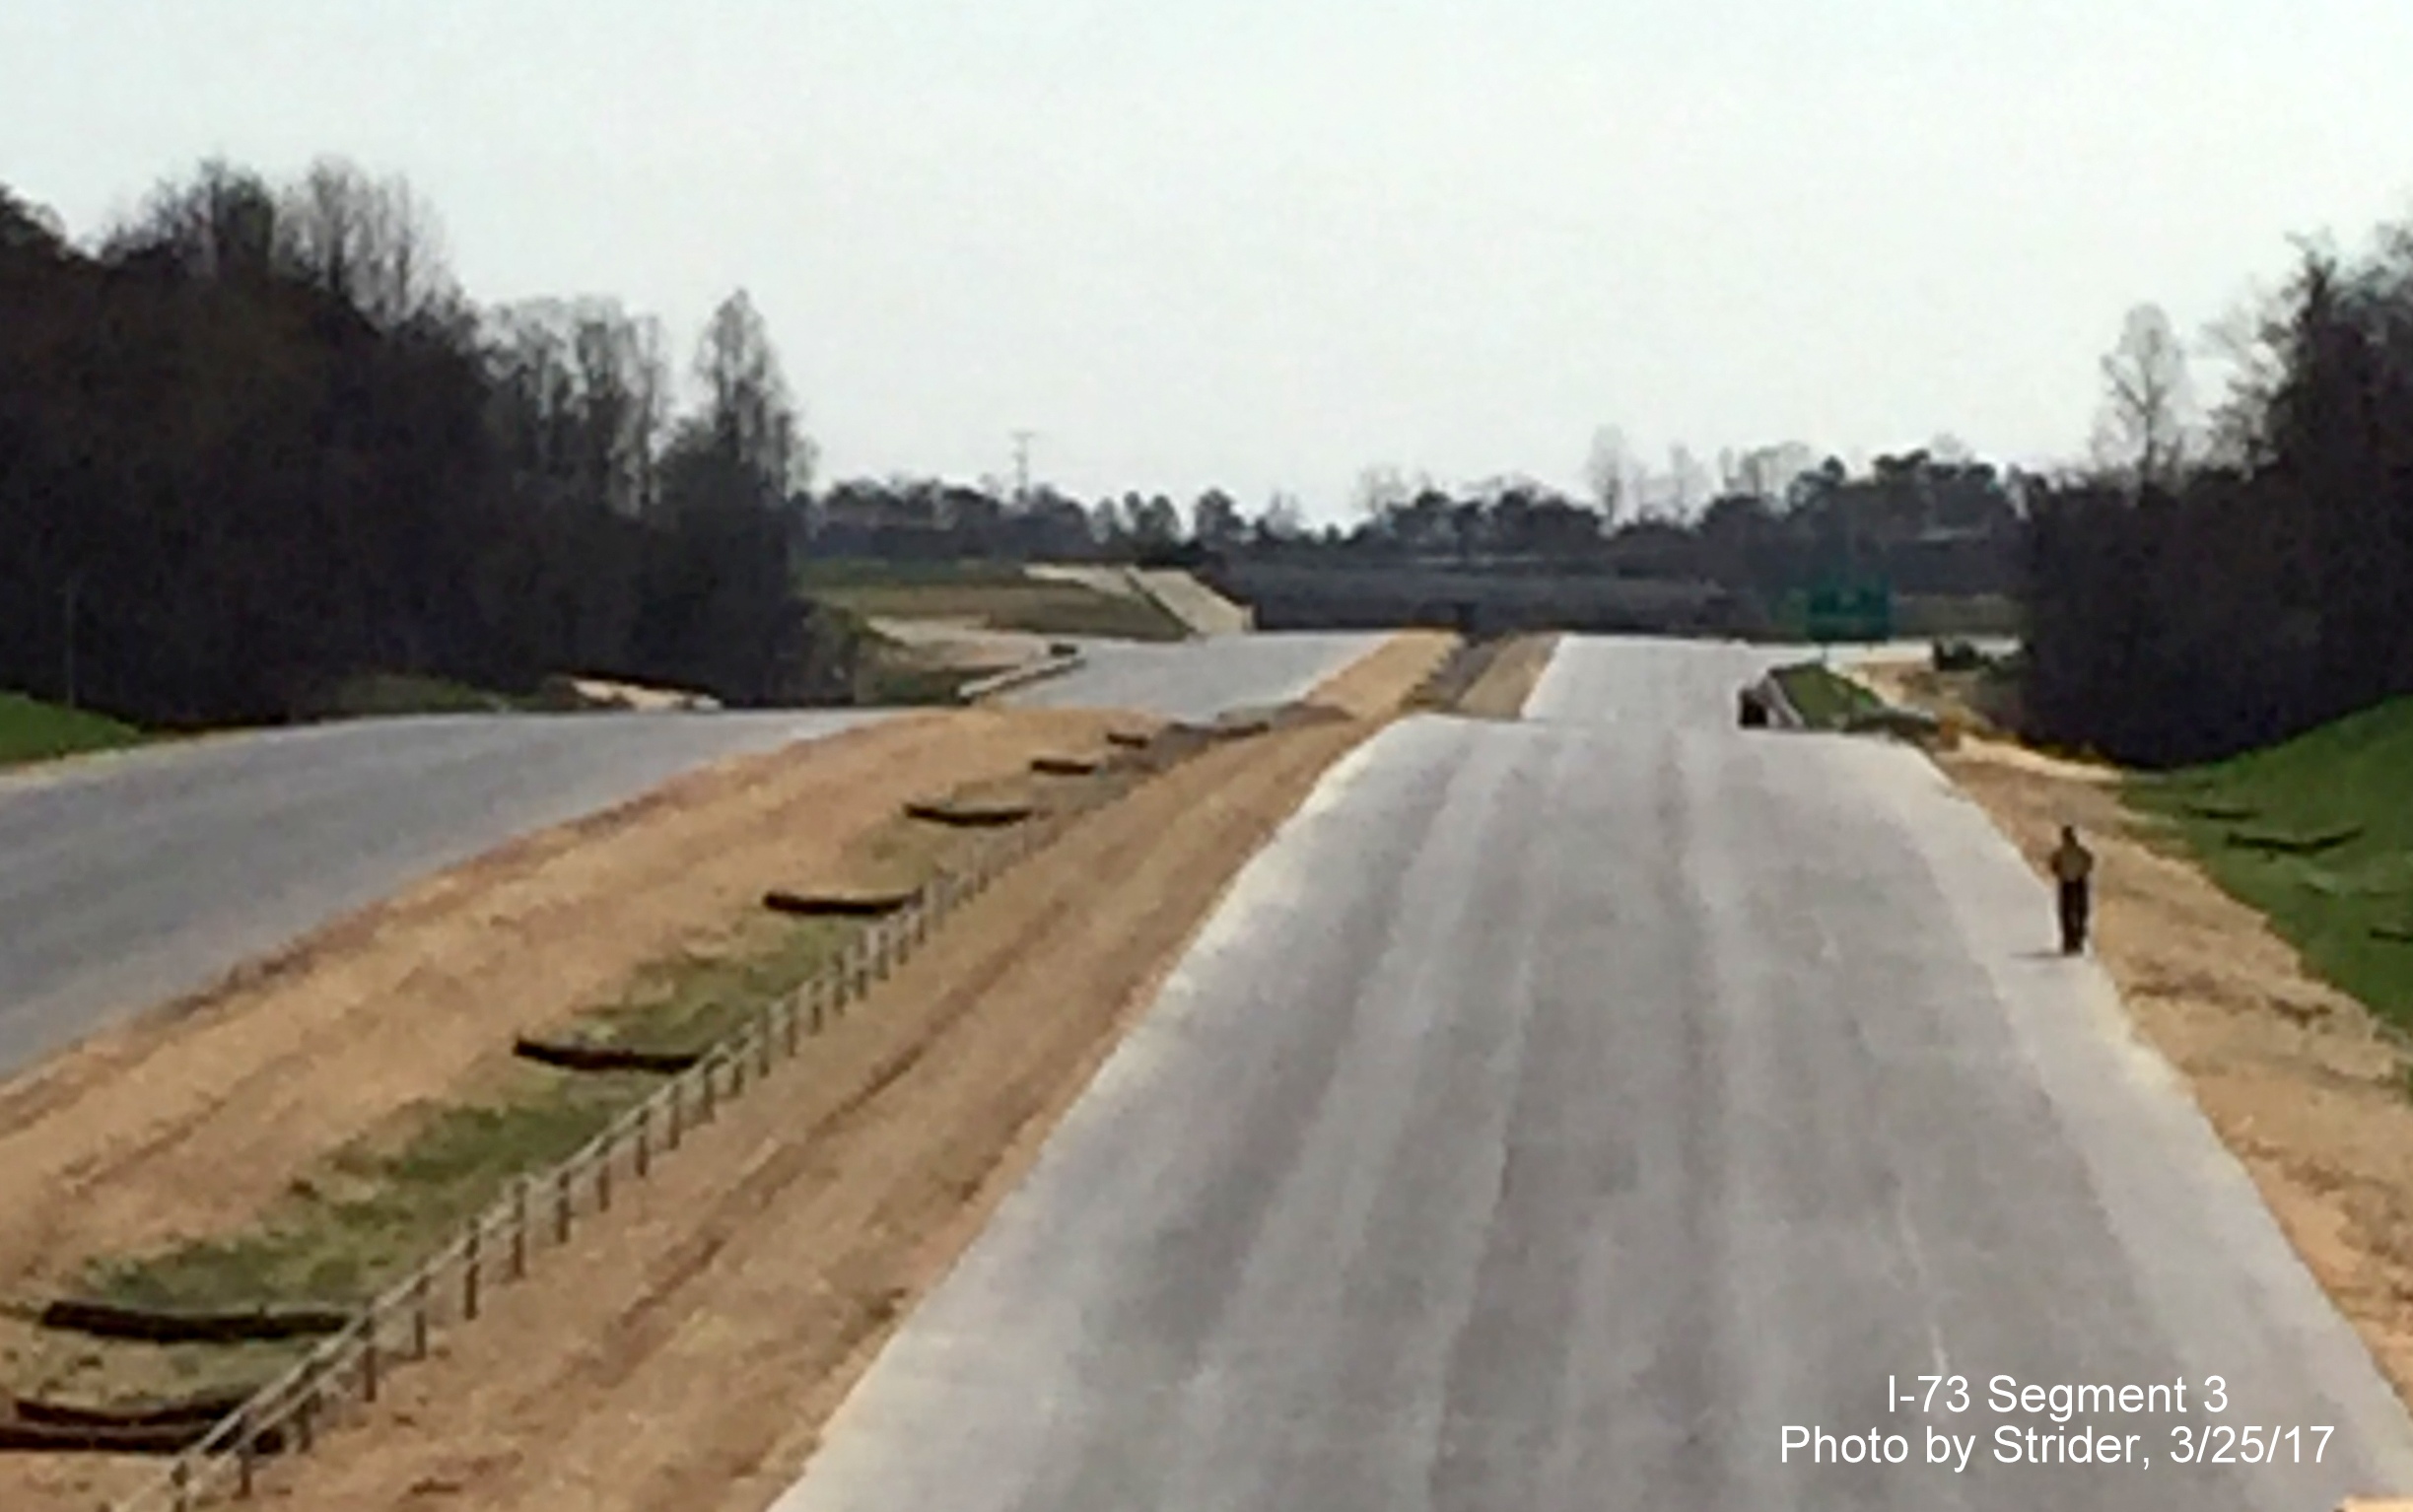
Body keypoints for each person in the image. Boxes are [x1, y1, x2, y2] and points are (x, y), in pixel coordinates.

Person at [2050, 824, 2095, 955]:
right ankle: (2070, 941)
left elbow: (2089, 862)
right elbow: (2053, 865)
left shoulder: (2079, 852)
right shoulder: (2062, 853)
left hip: (2077, 882)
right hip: (2068, 882)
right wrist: (2061, 874)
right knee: (2068, 912)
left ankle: (2076, 940)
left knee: (2078, 912)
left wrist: (2080, 873)